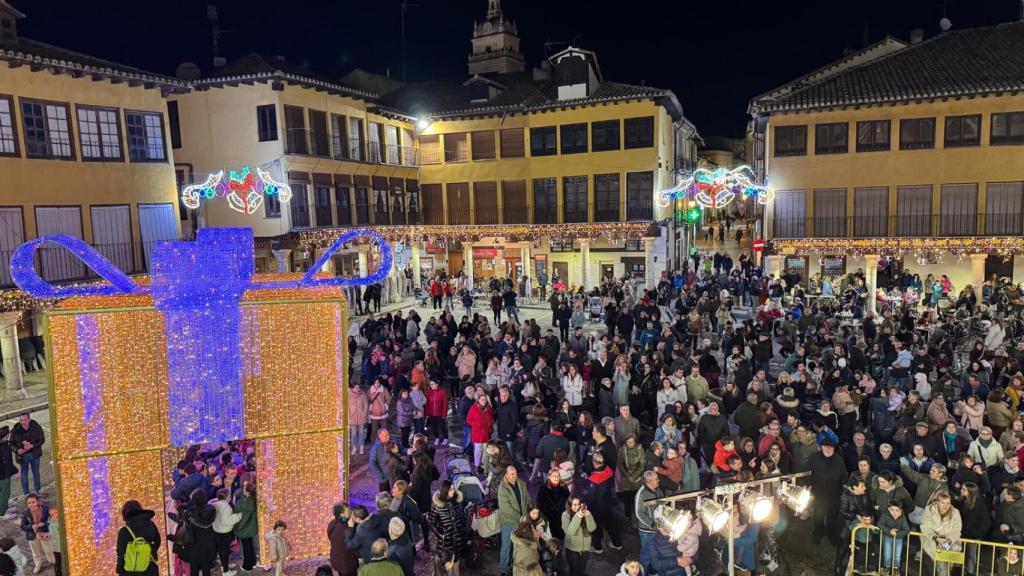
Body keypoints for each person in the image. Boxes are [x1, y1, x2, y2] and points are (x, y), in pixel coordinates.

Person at [498, 466, 532, 574]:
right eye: (512, 474)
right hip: (508, 522)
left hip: (522, 520)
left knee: (519, 546)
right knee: (506, 547)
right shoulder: (502, 488)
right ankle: (503, 569)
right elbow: (506, 509)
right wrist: (521, 518)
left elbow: (527, 498)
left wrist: (530, 511)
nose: (515, 476)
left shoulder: (521, 483)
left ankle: (516, 566)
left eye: (516, 473)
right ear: (506, 475)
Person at [428, 481, 466, 576]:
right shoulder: (438, 507)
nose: (453, 491)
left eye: (454, 489)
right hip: (445, 546)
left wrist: (462, 530)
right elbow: (431, 523)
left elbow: (461, 519)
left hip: (457, 542)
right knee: (446, 570)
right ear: (445, 491)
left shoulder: (457, 503)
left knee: (456, 567)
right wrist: (441, 535)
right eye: (451, 489)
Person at [920, 491, 962, 576]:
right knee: (932, 569)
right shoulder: (929, 510)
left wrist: (949, 541)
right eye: (942, 503)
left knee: (946, 567)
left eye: (948, 503)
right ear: (937, 503)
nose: (945, 506)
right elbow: (925, 527)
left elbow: (957, 529)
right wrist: (936, 538)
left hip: (948, 544)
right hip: (931, 543)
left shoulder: (955, 512)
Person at [181, 489, 217, 576]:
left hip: (193, 543)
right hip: (208, 543)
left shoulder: (188, 513)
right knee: (206, 567)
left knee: (194, 567)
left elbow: (185, 527)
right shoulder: (212, 509)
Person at [10, 413, 43, 497]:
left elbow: (42, 439)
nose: (23, 422)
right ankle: (26, 493)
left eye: (25, 420)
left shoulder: (36, 427)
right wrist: (17, 450)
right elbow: (11, 444)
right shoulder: (15, 430)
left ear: (29, 419)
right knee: (24, 474)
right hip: (23, 456)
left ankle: (37, 490)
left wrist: (33, 445)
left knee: (36, 472)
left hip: (35, 454)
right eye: (21, 420)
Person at [561, 497, 596, 576]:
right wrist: (578, 516)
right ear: (570, 505)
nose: (577, 507)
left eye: (579, 504)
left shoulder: (585, 513)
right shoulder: (565, 515)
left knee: (581, 571)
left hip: (585, 549)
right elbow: (570, 531)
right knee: (574, 572)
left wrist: (588, 516)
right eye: (574, 505)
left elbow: (592, 528)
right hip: (572, 549)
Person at [210, 489, 241, 576]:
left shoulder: (215, 504)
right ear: (226, 497)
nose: (230, 497)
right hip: (224, 532)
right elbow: (227, 521)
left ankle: (225, 565)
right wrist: (238, 516)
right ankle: (226, 572)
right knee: (225, 552)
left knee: (221, 551)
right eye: (229, 496)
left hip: (217, 530)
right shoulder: (226, 507)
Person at [233, 482, 258, 572]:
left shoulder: (241, 503)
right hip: (252, 528)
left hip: (242, 528)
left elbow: (236, 513)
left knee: (246, 547)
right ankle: (253, 562)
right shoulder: (256, 501)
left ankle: (247, 565)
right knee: (250, 544)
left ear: (246, 492)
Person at [328, 502, 359, 576]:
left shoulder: (332, 523)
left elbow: (330, 537)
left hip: (337, 560)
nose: (349, 509)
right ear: (341, 514)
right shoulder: (348, 528)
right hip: (348, 563)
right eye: (346, 508)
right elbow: (354, 547)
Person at [538, 470, 570, 541]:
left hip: (562, 518)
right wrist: (543, 517)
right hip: (549, 518)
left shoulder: (564, 488)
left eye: (558, 476)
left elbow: (568, 502)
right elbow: (539, 504)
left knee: (562, 539)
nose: (556, 478)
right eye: (554, 476)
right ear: (549, 477)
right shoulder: (543, 488)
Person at [0, 427, 16, 519]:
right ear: (6, 435)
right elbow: (8, 462)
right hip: (3, 475)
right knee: (4, 493)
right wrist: (15, 471)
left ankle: (5, 508)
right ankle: (2, 513)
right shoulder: (4, 447)